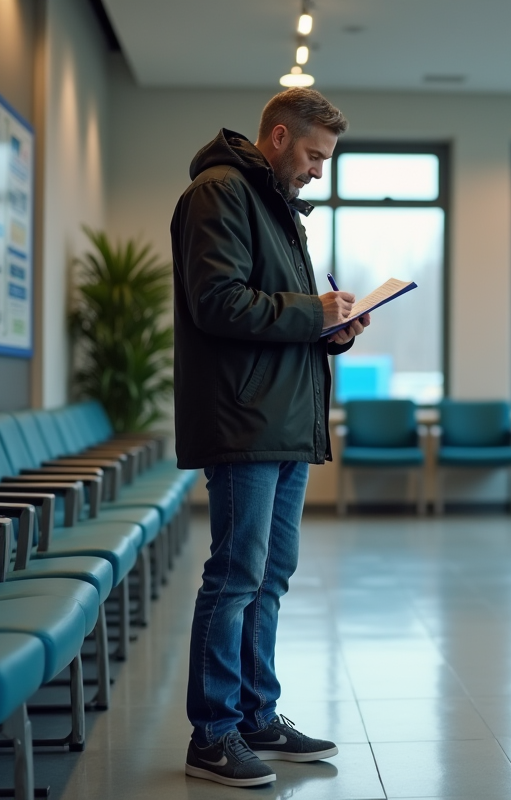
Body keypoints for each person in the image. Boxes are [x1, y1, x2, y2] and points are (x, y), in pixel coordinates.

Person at [172, 88, 364, 788]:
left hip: (282, 417)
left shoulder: (279, 208)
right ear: (278, 138)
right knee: (235, 577)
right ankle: (213, 734)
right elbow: (218, 302)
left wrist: (331, 329)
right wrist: (311, 309)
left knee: (269, 577)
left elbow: (279, 319)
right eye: (314, 155)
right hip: (243, 418)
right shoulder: (219, 194)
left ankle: (256, 713)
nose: (319, 170)